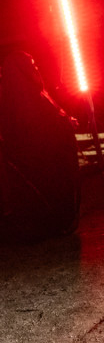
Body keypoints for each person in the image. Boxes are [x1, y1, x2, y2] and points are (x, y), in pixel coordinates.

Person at [0, 51, 81, 240]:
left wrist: (65, 121)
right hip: (34, 162)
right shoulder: (17, 97)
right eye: (32, 65)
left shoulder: (33, 93)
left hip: (44, 158)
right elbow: (27, 129)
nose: (36, 69)